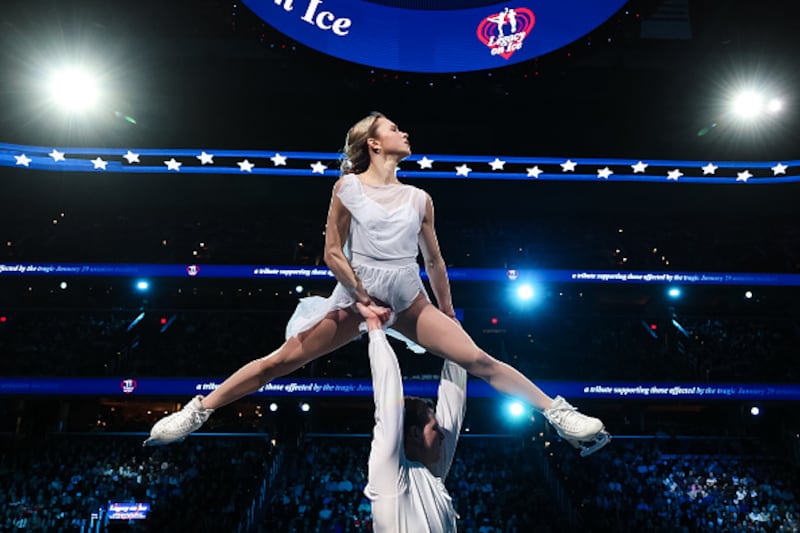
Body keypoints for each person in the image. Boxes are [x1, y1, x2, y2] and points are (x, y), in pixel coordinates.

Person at [144, 111, 610, 456]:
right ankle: (198, 411)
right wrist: (363, 301)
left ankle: (559, 415)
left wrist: (447, 314)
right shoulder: (346, 188)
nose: (404, 132)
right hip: (356, 293)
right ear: (373, 143)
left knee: (479, 360)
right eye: (393, 128)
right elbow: (331, 253)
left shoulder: (420, 198)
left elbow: (435, 259)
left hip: (409, 296)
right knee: (279, 362)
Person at [360, 301, 465, 532]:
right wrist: (375, 330)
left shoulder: (430, 475)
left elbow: (453, 405)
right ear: (415, 433)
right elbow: (388, 392)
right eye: (434, 428)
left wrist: (455, 336)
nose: (442, 435)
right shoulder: (390, 474)